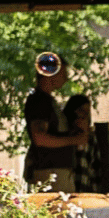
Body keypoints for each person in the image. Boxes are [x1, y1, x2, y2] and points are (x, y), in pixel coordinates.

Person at [24, 54, 85, 192]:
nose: (66, 78)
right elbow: (40, 138)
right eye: (63, 73)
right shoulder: (39, 101)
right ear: (49, 74)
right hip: (50, 173)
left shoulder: (48, 101)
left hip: (56, 172)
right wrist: (75, 140)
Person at [64, 94, 109, 194]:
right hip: (67, 185)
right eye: (80, 111)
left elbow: (96, 166)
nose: (84, 116)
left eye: (87, 112)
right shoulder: (63, 133)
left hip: (85, 186)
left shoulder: (91, 137)